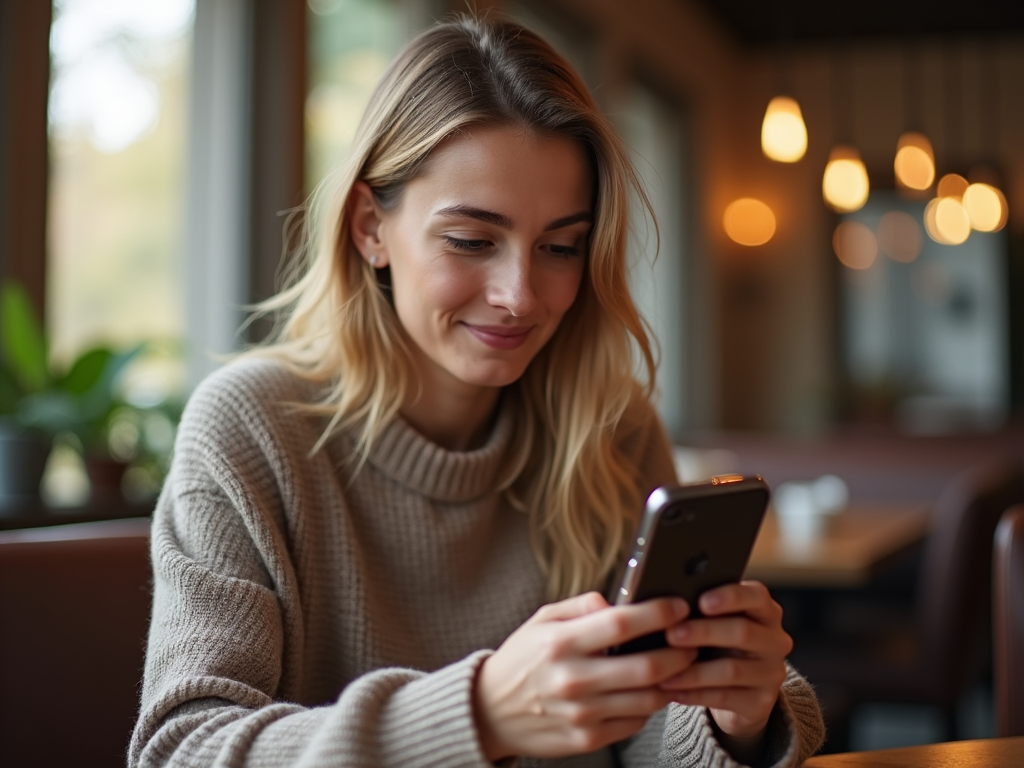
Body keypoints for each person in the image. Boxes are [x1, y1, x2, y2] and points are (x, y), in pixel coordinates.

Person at [129, 13, 824, 768]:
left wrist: (733, 719)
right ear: (370, 227)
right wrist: (482, 715)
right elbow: (182, 753)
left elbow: (639, 738)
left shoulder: (611, 426)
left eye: (560, 247)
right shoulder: (252, 429)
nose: (521, 295)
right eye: (471, 241)